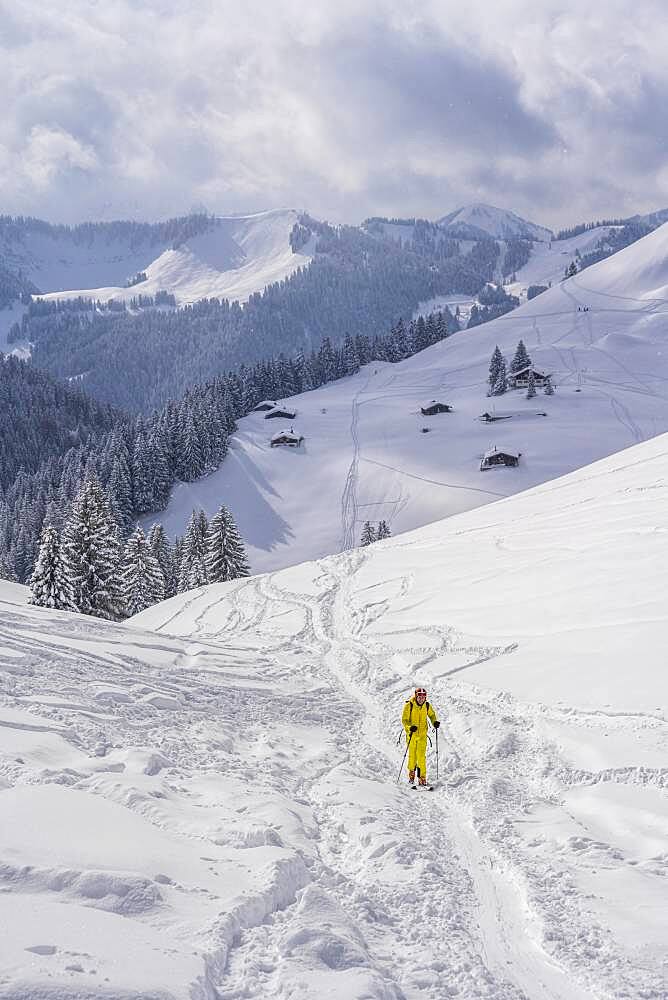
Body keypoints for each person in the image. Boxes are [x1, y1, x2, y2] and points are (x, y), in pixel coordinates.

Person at [402, 686, 440, 786]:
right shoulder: (409, 705)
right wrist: (409, 728)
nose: (421, 699)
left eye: (423, 697)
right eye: (419, 697)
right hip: (412, 736)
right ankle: (411, 774)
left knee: (421, 757)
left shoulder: (427, 706)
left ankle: (422, 777)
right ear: (416, 696)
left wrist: (434, 722)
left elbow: (431, 715)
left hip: (423, 735)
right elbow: (404, 720)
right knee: (412, 757)